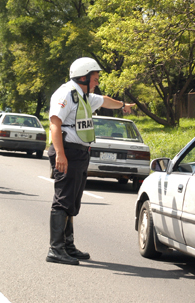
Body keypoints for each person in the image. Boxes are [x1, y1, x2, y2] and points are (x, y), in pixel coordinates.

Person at [46, 57, 135, 265]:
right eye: (94, 78)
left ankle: (67, 246)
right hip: (67, 152)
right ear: (83, 77)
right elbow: (54, 124)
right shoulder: (66, 93)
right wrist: (60, 154)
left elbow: (104, 100)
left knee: (72, 202)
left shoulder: (84, 95)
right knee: (62, 200)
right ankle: (55, 249)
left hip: (80, 153)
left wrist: (123, 105)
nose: (97, 82)